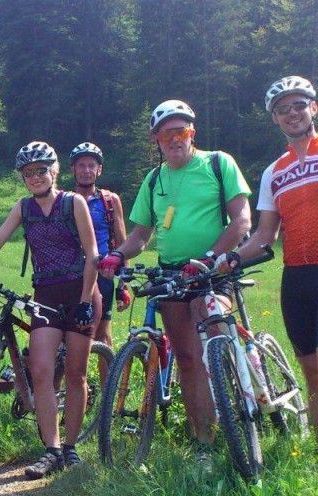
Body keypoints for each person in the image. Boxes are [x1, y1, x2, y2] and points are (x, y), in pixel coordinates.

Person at [99, 99, 252, 464]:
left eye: (181, 131)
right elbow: (140, 235)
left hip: (213, 271)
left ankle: (241, 417)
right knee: (186, 358)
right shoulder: (154, 180)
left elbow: (242, 220)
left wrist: (212, 259)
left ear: (192, 133)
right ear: (156, 139)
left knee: (215, 336)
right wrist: (119, 254)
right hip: (172, 275)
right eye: (167, 133)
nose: (174, 139)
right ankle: (204, 441)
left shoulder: (218, 163)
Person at [0, 141, 100, 478]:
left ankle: (71, 448)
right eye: (28, 173)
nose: (35, 177)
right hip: (46, 295)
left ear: (53, 171)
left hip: (81, 292)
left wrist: (85, 300)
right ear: (23, 178)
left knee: (76, 373)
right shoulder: (24, 208)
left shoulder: (74, 203)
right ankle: (51, 450)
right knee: (40, 370)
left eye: (41, 170)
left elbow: (92, 253)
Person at [216, 75, 318, 438]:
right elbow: (264, 236)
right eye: (282, 109)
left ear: (313, 108)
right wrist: (229, 259)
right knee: (310, 368)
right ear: (274, 118)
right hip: (298, 276)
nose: (291, 113)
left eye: (298, 105)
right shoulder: (273, 172)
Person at [69, 142, 130, 349]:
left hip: (103, 273)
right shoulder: (65, 200)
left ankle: (108, 382)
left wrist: (123, 283)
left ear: (99, 169)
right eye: (81, 165)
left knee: (103, 335)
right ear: (73, 170)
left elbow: (122, 242)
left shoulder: (110, 200)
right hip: (71, 274)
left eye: (91, 165)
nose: (86, 171)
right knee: (68, 336)